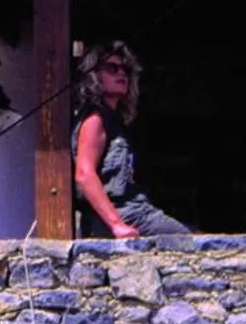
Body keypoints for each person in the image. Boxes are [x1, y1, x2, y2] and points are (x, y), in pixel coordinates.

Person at [72, 42, 189, 240]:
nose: (121, 74)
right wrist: (116, 225)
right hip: (123, 212)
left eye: (125, 69)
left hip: (136, 210)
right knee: (189, 241)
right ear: (95, 75)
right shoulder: (95, 119)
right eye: (112, 68)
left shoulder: (115, 121)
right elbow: (84, 174)